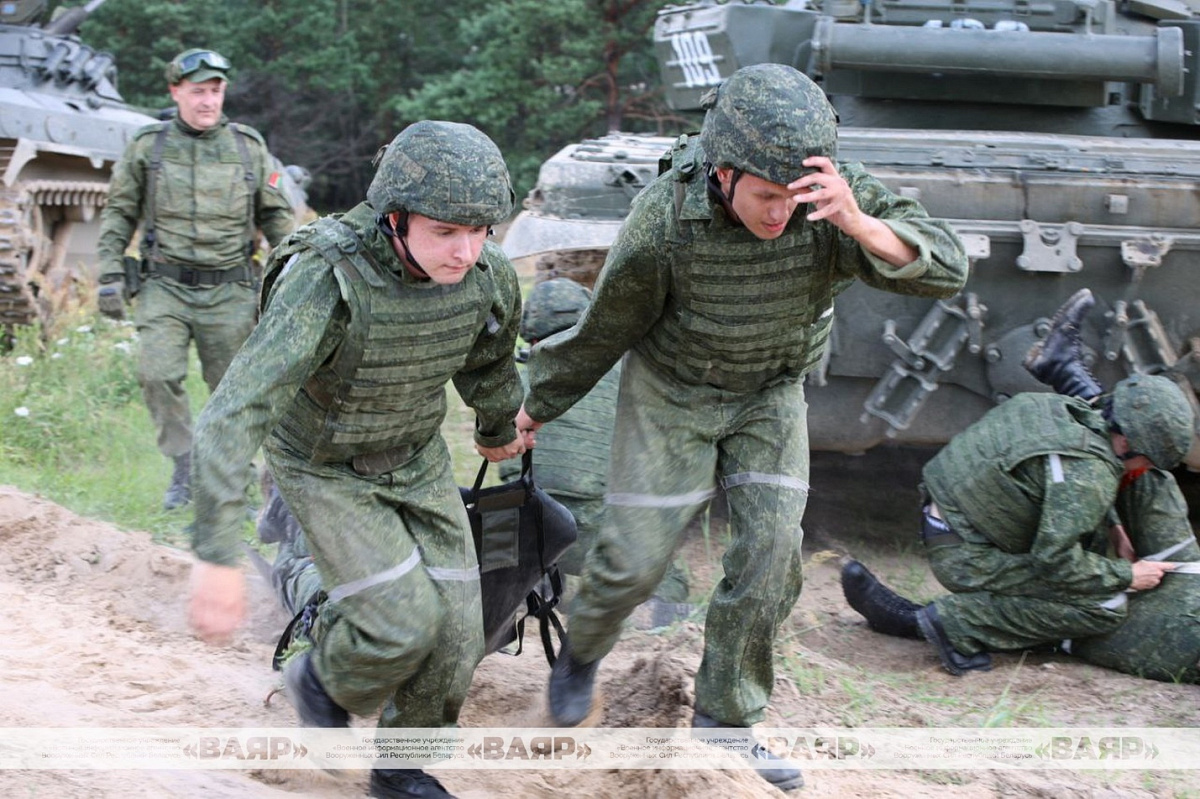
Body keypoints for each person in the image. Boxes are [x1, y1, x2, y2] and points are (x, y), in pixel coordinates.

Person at [515, 63, 969, 791]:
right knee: (633, 560)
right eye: (766, 195)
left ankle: (726, 719)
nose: (782, 211)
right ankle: (581, 656)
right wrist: (535, 407)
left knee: (772, 553)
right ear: (724, 174)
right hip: (673, 393)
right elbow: (607, 327)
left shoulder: (832, 195)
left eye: (796, 195)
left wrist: (854, 220)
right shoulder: (666, 216)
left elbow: (948, 267)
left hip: (770, 393)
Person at [187, 120, 527, 799]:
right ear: (394, 217)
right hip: (324, 464)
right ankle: (320, 680)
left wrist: (496, 428)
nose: (465, 251)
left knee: (461, 631)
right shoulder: (327, 277)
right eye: (445, 232)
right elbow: (233, 414)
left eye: (480, 230)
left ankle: (400, 768)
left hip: (416, 455)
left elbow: (489, 360)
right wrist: (215, 554)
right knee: (402, 622)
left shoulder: (487, 275)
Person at [841, 358, 1192, 675]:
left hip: (946, 518)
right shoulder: (1089, 473)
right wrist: (1127, 575)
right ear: (1127, 443)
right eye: (1147, 460)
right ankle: (953, 624)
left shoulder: (1063, 410)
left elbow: (1061, 485)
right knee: (1105, 605)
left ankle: (922, 619)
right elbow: (1055, 561)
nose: (1145, 469)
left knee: (1089, 555)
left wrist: (1114, 527)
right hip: (964, 556)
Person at [96, 48, 295, 510]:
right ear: (176, 92)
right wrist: (109, 273)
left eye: (216, 90)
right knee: (157, 375)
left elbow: (276, 217)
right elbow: (119, 213)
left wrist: (292, 271)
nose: (208, 101)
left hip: (230, 289)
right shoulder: (149, 146)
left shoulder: (248, 146)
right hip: (164, 286)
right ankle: (184, 470)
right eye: (198, 91)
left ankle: (234, 482)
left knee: (233, 393)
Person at [502, 278, 693, 628]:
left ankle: (537, 587)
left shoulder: (507, 381)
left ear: (530, 335)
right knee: (670, 583)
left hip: (521, 540)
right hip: (593, 535)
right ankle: (608, 604)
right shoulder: (624, 374)